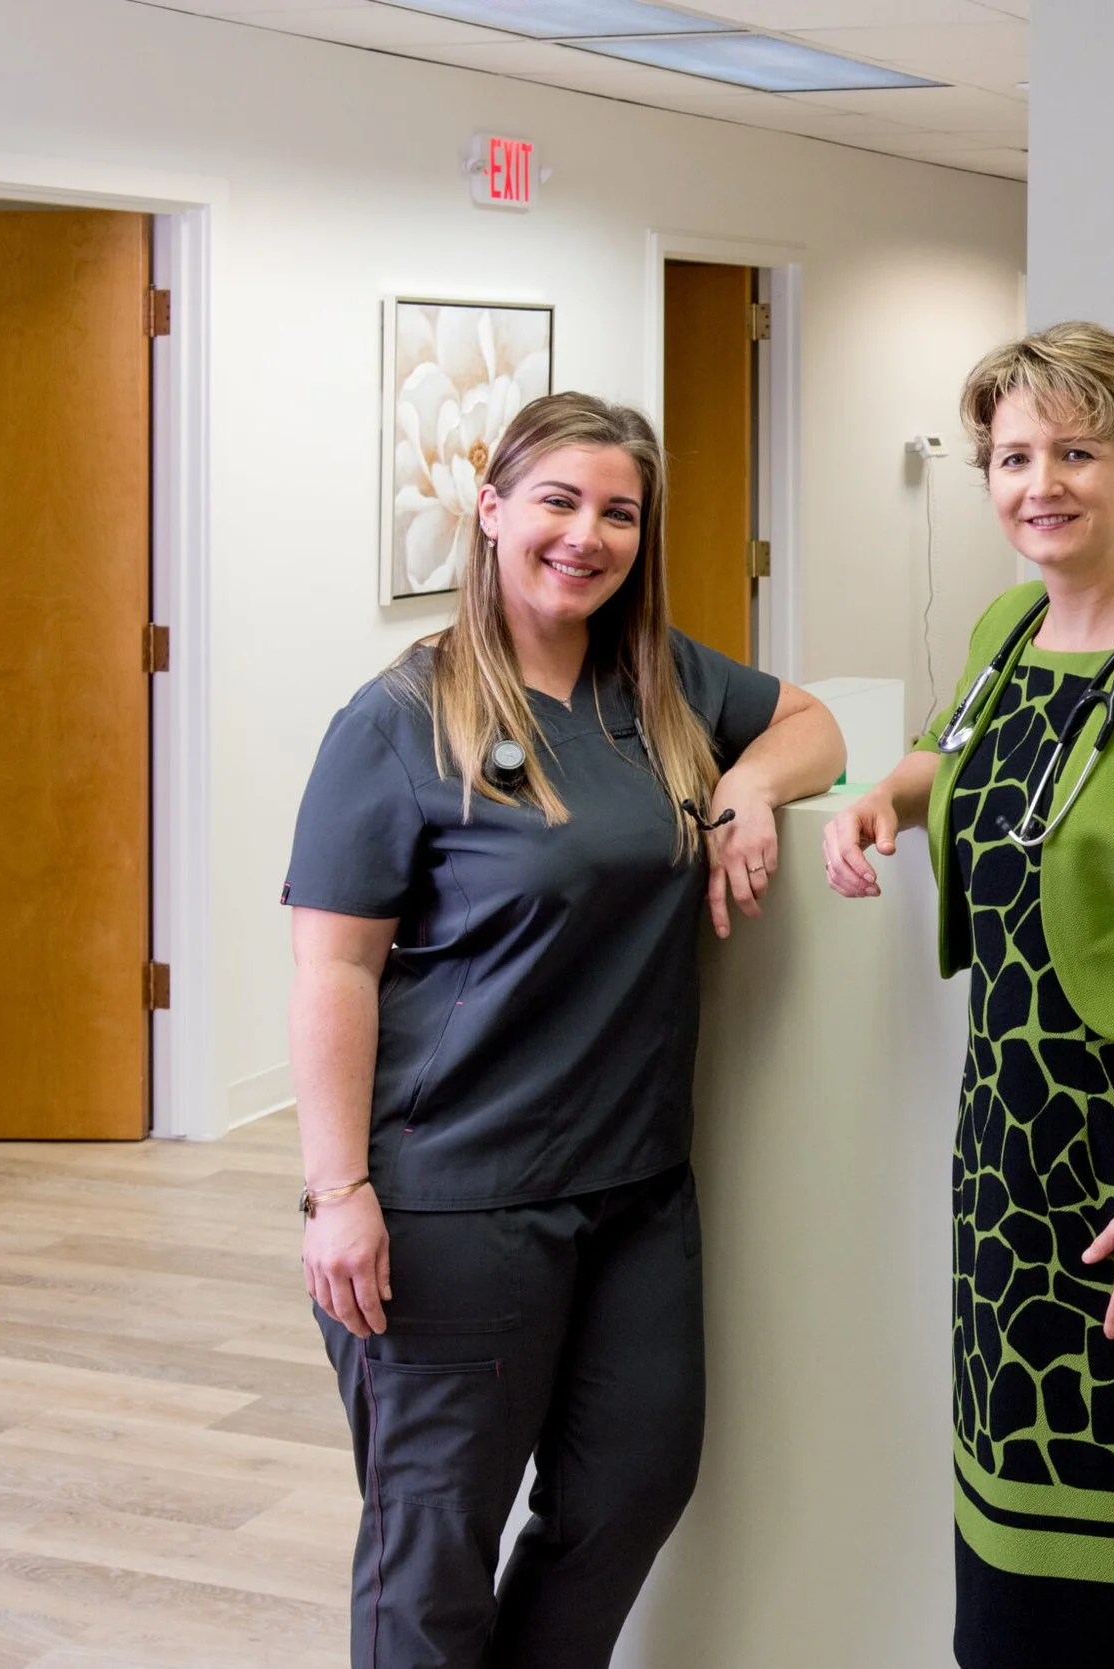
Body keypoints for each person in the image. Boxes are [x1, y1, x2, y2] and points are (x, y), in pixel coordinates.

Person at [284, 392, 843, 1669]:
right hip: (456, 1203)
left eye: (618, 512)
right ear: (490, 511)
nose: (585, 535)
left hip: (636, 1191)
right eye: (557, 500)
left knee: (630, 1489)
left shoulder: (657, 680)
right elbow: (333, 967)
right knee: (433, 1549)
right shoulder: (396, 721)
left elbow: (811, 722)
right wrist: (338, 1193)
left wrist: (745, 785)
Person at [822, 322, 1114, 1668]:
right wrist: (882, 800)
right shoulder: (1004, 627)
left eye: (1076, 451)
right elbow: (948, 751)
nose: (1042, 482)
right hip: (1009, 1167)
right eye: (1013, 454)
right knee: (1017, 1572)